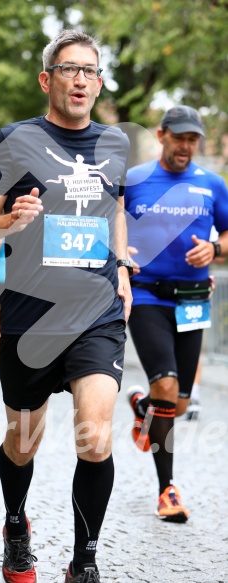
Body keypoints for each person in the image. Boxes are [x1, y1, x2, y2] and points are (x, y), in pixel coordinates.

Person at [0, 29, 131, 583]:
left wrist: (125, 264)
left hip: (96, 311)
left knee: (97, 436)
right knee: (22, 442)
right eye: (69, 69)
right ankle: (17, 526)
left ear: (99, 82)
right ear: (47, 79)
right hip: (30, 315)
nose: (80, 79)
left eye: (89, 70)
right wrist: (13, 218)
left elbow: (114, 209)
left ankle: (84, 561)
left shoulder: (115, 143)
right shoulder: (14, 139)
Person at [125, 105, 228, 523]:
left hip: (192, 300)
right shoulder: (133, 181)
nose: (186, 146)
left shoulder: (213, 184)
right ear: (161, 134)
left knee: (179, 404)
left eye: (193, 139)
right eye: (179, 137)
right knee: (167, 389)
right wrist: (120, 253)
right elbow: (109, 222)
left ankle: (142, 407)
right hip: (146, 296)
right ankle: (167, 489)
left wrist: (216, 249)